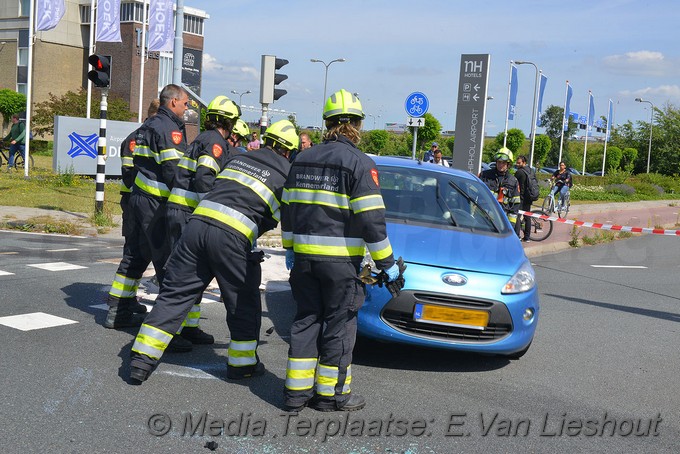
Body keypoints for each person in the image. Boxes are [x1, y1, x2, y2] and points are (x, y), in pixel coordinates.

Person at [128, 120, 297, 383]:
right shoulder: (287, 175)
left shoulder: (239, 159)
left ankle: (140, 361)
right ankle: (242, 365)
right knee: (243, 300)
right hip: (231, 238)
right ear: (288, 151)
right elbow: (287, 219)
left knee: (175, 293)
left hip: (196, 227)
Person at [281, 89, 403, 412]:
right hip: (341, 267)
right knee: (339, 326)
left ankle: (295, 395)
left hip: (304, 262)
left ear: (329, 123)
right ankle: (331, 396)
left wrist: (290, 249)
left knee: (306, 321)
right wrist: (387, 265)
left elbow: (288, 209)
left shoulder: (301, 159)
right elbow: (372, 222)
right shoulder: (360, 164)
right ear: (355, 125)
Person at [104, 84, 188, 329]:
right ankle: (166, 326)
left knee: (134, 256)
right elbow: (174, 171)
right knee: (166, 261)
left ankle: (117, 313)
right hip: (156, 204)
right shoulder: (168, 129)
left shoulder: (146, 128)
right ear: (173, 102)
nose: (186, 109)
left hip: (138, 201)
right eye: (184, 104)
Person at [164, 95, 241, 348]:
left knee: (194, 272)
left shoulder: (204, 138)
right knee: (180, 276)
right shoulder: (215, 142)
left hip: (184, 210)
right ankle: (169, 332)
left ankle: (189, 326)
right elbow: (204, 178)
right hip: (186, 211)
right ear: (229, 122)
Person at [479, 147, 521, 233]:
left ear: (509, 164)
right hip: (482, 219)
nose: (500, 165)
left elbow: (515, 205)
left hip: (501, 223)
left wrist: (510, 227)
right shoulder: (485, 175)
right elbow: (473, 194)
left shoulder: (513, 181)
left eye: (503, 163)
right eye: (499, 162)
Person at [514, 155, 533, 242]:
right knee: (527, 216)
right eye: (517, 162)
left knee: (517, 216)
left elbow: (513, 182)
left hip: (521, 197)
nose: (517, 164)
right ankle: (527, 237)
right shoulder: (531, 171)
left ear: (524, 163)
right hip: (529, 197)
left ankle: (517, 235)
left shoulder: (519, 172)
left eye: (519, 163)